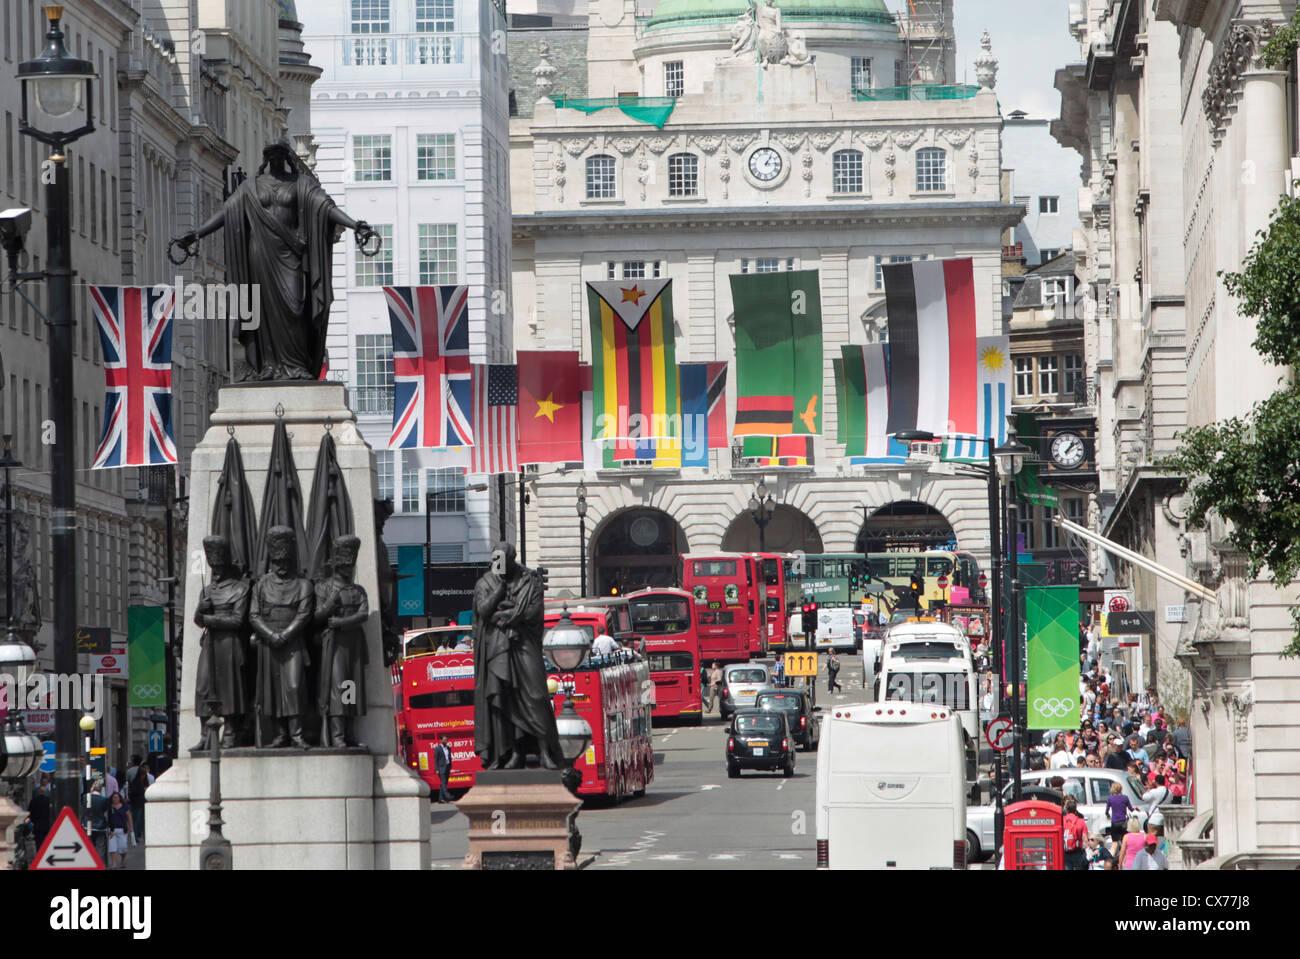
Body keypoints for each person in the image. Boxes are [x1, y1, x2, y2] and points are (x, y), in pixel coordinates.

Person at [106, 792, 134, 869]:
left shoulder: (125, 807)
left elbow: (129, 816)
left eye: (117, 797)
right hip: (112, 830)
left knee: (123, 847)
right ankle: (114, 864)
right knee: (112, 847)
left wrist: (131, 828)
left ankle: (123, 859)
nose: (115, 799)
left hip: (122, 829)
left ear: (120, 798)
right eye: (114, 797)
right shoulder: (110, 807)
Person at [86, 778, 109, 864]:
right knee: (100, 847)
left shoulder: (86, 797)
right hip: (100, 826)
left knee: (89, 846)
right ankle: (100, 864)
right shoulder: (104, 799)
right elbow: (105, 811)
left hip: (88, 825)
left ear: (92, 789)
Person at [128, 764, 153, 843]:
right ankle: (135, 835)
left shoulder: (143, 781)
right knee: (136, 819)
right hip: (137, 803)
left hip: (142, 803)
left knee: (140, 820)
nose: (143, 777)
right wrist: (143, 789)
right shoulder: (136, 782)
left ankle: (138, 833)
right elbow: (134, 792)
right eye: (142, 775)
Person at [1062, 798, 1088, 870]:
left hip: (1065, 852)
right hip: (1077, 851)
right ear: (1075, 809)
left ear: (1066, 809)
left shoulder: (1062, 820)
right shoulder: (1081, 821)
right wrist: (1088, 851)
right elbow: (1085, 838)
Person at [433, 735, 453, 804]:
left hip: (447, 767)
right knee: (443, 783)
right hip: (441, 768)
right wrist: (437, 769)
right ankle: (448, 796)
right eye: (444, 740)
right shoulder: (437, 749)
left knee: (444, 783)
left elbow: (449, 758)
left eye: (446, 740)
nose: (446, 741)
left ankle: (441, 799)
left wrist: (450, 767)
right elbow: (435, 760)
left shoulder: (448, 748)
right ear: (441, 740)